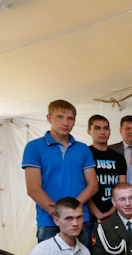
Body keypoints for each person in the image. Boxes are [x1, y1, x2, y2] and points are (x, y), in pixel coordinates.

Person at [22, 100, 98, 246]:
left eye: (70, 118)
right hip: (49, 221)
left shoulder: (83, 148)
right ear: (49, 118)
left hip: (81, 220)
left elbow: (93, 185)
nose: (65, 123)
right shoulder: (34, 147)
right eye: (59, 117)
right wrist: (60, 214)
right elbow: (33, 189)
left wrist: (72, 213)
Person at [86, 115, 127, 223]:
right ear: (89, 131)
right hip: (89, 217)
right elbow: (82, 187)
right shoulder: (85, 155)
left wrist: (111, 212)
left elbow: (122, 188)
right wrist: (98, 214)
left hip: (115, 215)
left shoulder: (119, 158)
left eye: (106, 128)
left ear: (109, 131)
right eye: (97, 128)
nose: (102, 132)